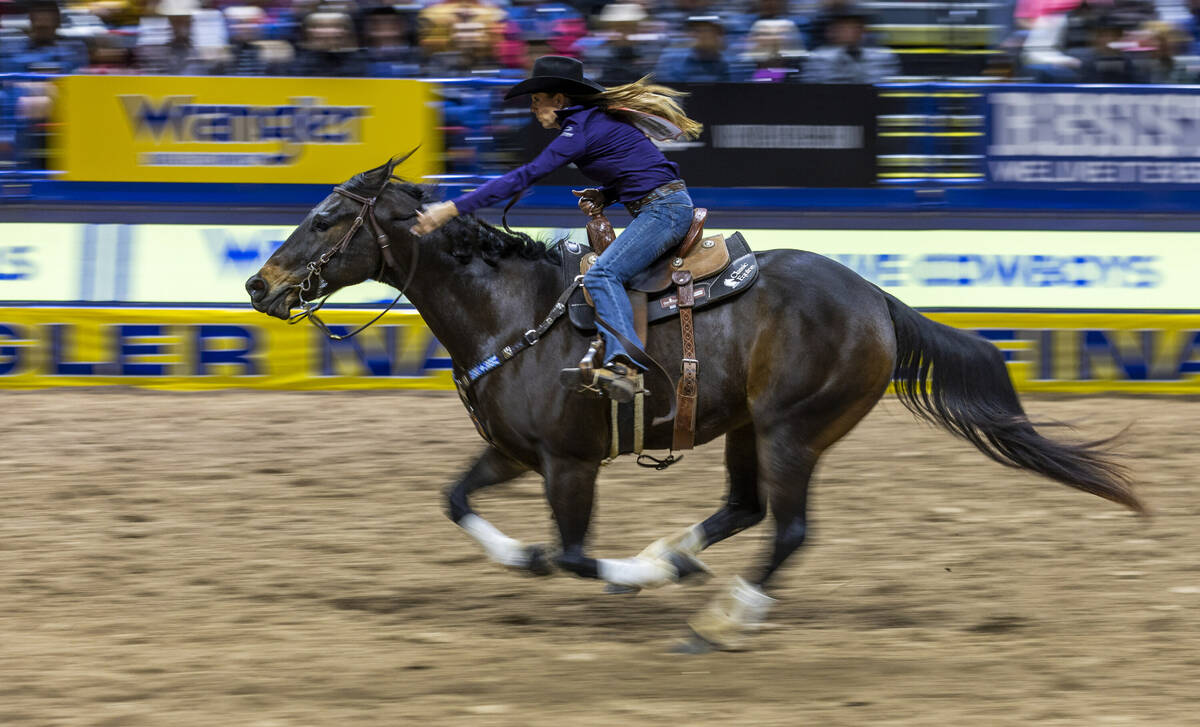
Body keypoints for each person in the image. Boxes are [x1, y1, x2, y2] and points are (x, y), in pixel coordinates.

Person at [411, 55, 701, 402]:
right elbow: (655, 169)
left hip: (663, 212)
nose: (533, 109)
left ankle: (623, 364)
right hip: (664, 206)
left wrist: (452, 208)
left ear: (559, 100)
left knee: (601, 276)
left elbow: (525, 175)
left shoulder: (577, 129)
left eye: (537, 100)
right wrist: (606, 195)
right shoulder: (595, 122)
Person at [801, 8, 899, 83]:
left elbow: (884, 87)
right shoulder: (818, 58)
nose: (850, 31)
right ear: (833, 31)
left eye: (855, 27)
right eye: (844, 27)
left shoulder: (883, 57)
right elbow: (812, 90)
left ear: (863, 30)